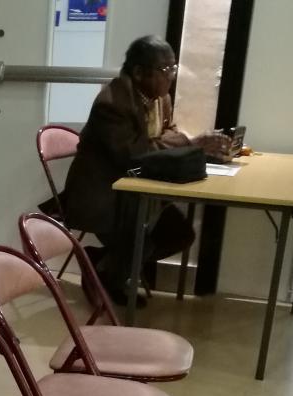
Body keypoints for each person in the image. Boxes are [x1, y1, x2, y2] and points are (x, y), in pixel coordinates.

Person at [64, 35, 231, 304]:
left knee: (179, 234)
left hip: (138, 188)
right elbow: (135, 154)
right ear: (139, 72)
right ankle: (108, 276)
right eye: (165, 70)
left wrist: (185, 143)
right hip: (103, 194)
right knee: (142, 236)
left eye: (173, 69)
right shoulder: (113, 102)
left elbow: (169, 132)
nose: (171, 77)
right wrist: (190, 142)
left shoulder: (159, 98)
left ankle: (103, 264)